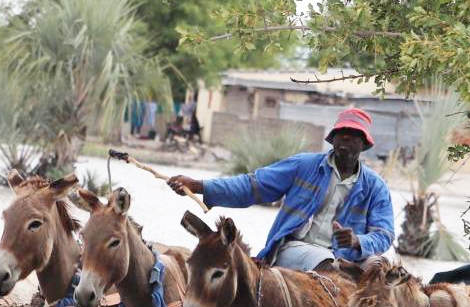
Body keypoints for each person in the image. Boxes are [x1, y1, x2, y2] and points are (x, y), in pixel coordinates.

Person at [168, 107, 394, 271]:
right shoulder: (304, 166)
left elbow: (384, 234)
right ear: (332, 139)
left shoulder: (375, 187)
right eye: (341, 132)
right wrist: (198, 186)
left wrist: (357, 241)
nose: (345, 137)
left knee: (381, 268)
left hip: (347, 258)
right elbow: (251, 186)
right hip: (296, 248)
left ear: (364, 144)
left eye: (353, 134)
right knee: (327, 265)